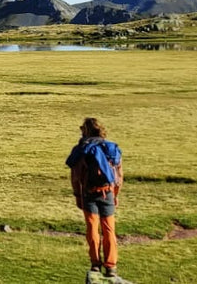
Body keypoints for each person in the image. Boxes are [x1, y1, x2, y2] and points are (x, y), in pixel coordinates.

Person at [65, 117, 123, 278]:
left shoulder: (82, 150)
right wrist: (115, 194)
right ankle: (111, 266)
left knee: (92, 229)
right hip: (108, 192)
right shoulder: (111, 148)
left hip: (89, 193)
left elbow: (76, 176)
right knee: (109, 229)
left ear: (85, 130)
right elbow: (119, 175)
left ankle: (95, 263)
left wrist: (77, 195)